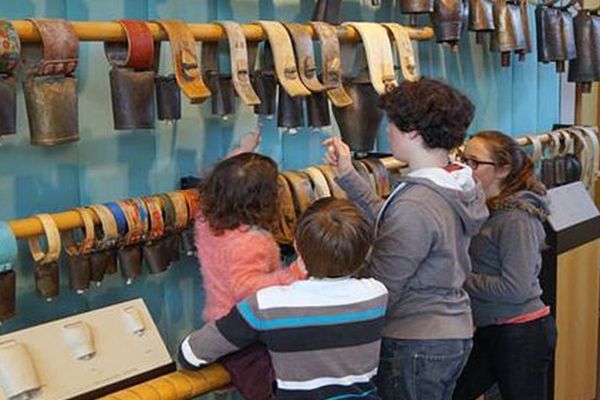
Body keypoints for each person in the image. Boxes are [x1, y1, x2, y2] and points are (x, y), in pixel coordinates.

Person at [323, 78, 488, 400]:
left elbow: (384, 284)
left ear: (413, 131)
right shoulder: (456, 183)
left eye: (392, 123)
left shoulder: (417, 203)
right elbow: (393, 220)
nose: (387, 131)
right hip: (448, 333)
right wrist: (347, 175)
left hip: (415, 341)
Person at [180, 198, 389, 400]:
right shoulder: (376, 294)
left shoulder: (268, 304)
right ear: (367, 252)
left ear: (297, 247)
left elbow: (192, 353)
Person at [194, 130, 306, 400]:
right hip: (245, 334)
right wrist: (295, 272)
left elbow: (232, 181)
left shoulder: (207, 222)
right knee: (265, 385)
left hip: (221, 323)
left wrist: (243, 152)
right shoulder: (251, 242)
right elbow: (248, 289)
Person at [453, 131, 557, 400]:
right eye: (462, 159)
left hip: (520, 334)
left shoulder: (515, 218)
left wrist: (461, 276)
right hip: (495, 329)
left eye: (474, 162)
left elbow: (516, 288)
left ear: (503, 169)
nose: (465, 168)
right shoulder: (484, 209)